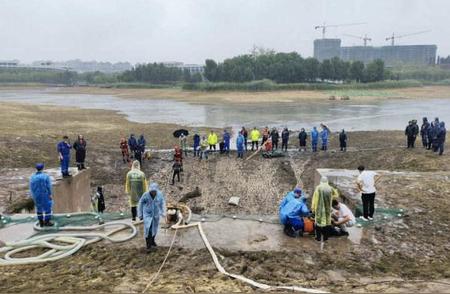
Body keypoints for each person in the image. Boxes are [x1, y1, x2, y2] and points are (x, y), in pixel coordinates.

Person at [138, 182, 166, 252]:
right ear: (150, 190)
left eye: (154, 191)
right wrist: (140, 214)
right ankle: (148, 245)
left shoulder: (159, 194)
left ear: (156, 190)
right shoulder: (145, 195)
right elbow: (140, 203)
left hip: (156, 214)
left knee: (154, 229)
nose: (153, 192)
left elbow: (163, 203)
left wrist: (163, 212)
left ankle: (153, 241)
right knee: (148, 229)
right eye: (152, 191)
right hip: (147, 214)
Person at [311, 177, 338, 242]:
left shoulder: (318, 188)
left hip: (319, 209)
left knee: (318, 223)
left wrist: (313, 208)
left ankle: (318, 238)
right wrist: (331, 196)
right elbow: (336, 195)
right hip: (328, 209)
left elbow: (315, 199)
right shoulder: (330, 188)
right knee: (327, 223)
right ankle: (326, 238)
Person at [29, 163, 54, 227]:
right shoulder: (45, 176)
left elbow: (31, 187)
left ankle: (41, 222)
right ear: (43, 168)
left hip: (36, 195)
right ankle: (47, 221)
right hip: (44, 194)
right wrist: (50, 194)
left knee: (39, 208)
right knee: (47, 207)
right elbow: (48, 186)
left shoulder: (32, 177)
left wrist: (33, 195)